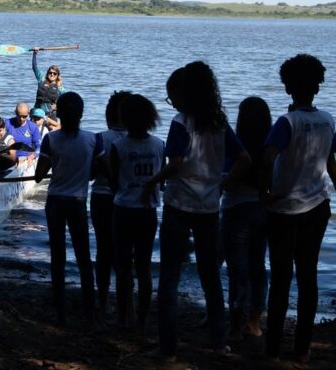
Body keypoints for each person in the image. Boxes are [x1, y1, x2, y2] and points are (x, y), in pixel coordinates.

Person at [142, 62, 250, 360]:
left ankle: (168, 349)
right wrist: (222, 183)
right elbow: (244, 159)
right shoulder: (220, 123)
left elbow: (175, 163)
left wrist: (152, 180)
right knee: (211, 276)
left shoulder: (181, 122)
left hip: (179, 206)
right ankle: (219, 341)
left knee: (170, 277)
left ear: (184, 92)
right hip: (209, 209)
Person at [260, 54, 336, 363]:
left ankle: (273, 348)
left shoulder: (286, 122)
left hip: (285, 209)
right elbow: (331, 163)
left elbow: (267, 159)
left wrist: (266, 193)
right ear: (317, 87)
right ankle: (303, 349)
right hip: (318, 206)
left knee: (280, 279)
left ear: (288, 88)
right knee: (308, 276)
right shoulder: (329, 120)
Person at [35, 92, 104, 326]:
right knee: (83, 255)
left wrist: (56, 164)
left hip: (55, 200)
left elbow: (38, 176)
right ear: (82, 114)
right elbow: (97, 172)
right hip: (77, 201)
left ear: (59, 114)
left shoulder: (51, 139)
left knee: (58, 256)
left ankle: (60, 311)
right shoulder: (94, 139)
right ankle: (89, 309)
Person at [109, 94, 164, 332]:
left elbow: (113, 183)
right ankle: (142, 320)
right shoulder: (160, 144)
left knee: (122, 267)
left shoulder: (117, 146)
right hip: (148, 211)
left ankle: (124, 318)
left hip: (123, 208)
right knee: (144, 267)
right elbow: (161, 180)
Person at [221, 97, 271, 339]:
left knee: (237, 269)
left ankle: (234, 323)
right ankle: (254, 322)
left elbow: (226, 182)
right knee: (258, 267)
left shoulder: (236, 146)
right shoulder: (269, 147)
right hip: (262, 210)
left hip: (236, 209)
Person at [90, 90, 131, 319]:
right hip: (129, 200)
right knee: (126, 253)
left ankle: (103, 300)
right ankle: (126, 303)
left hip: (101, 197)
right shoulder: (139, 139)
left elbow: (90, 175)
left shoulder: (99, 138)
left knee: (104, 250)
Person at [32, 48, 66, 119]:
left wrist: (57, 106)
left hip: (50, 115)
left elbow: (66, 102)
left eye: (54, 73)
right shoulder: (41, 80)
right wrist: (34, 54)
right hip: (37, 113)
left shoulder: (60, 88)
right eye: (50, 72)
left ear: (57, 76)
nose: (52, 74)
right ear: (47, 74)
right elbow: (35, 68)